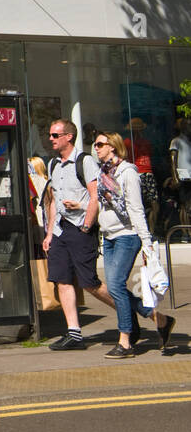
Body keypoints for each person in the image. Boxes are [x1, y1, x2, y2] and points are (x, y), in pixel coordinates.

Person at [93, 131, 176, 357]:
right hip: (109, 236)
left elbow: (136, 209)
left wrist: (147, 242)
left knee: (117, 286)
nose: (96, 147)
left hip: (127, 236)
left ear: (113, 146)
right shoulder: (104, 172)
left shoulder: (128, 172)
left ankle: (126, 341)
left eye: (100, 144)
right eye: (95, 144)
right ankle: (160, 320)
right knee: (113, 288)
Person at [44, 119, 116, 350]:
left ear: (69, 137)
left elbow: (96, 197)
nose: (51, 139)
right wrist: (49, 233)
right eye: (51, 135)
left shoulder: (84, 162)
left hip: (80, 228)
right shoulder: (53, 164)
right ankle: (74, 333)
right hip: (60, 230)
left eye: (56, 135)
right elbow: (53, 200)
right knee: (62, 280)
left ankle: (128, 311)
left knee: (89, 283)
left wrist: (86, 225)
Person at [168, 117, 191, 231]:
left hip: (189, 175)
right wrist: (175, 176)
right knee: (185, 205)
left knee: (188, 205)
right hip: (183, 176)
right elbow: (173, 159)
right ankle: (185, 232)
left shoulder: (189, 141)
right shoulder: (176, 141)